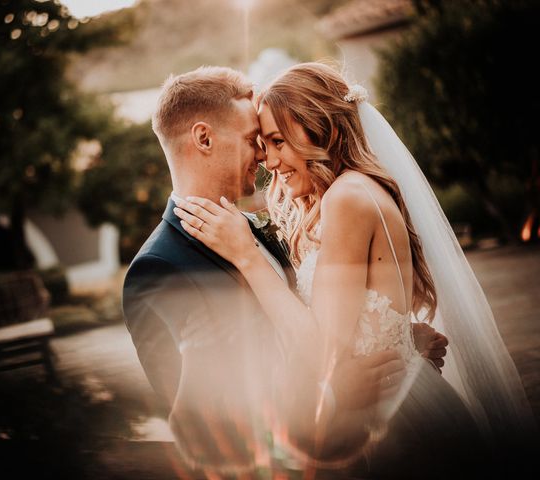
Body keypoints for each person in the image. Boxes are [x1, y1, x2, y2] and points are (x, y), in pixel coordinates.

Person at [174, 62, 537, 478]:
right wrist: (405, 341)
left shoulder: (346, 198)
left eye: (277, 141)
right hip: (398, 399)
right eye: (262, 143)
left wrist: (247, 257)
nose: (268, 162)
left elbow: (325, 353)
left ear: (321, 130)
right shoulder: (357, 189)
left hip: (397, 424)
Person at [122, 66, 449, 476]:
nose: (264, 157)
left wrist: (392, 340)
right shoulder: (160, 268)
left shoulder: (259, 229)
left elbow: (322, 313)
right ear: (204, 138)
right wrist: (332, 394)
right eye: (253, 141)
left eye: (272, 142)